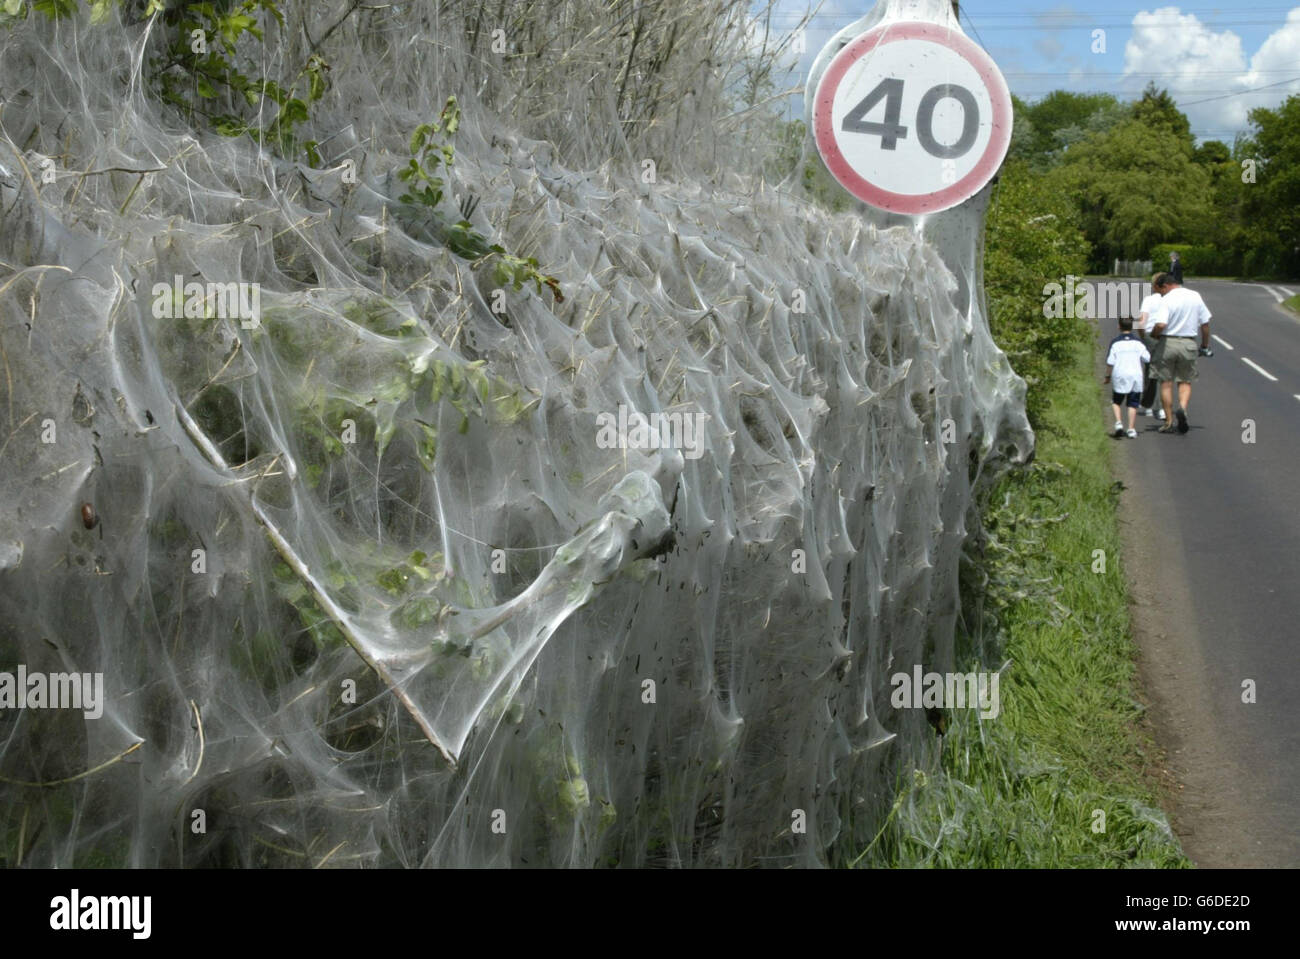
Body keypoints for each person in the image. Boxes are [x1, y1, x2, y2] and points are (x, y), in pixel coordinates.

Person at [1148, 272, 1212, 434]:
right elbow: (1205, 324)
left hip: (1168, 343)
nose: (1160, 294)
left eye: (1160, 291)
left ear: (1165, 286)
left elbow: (1161, 324)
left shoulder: (1167, 299)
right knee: (1185, 381)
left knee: (1165, 382)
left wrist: (1154, 334)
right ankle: (1182, 408)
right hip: (1188, 343)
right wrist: (1204, 345)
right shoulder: (1195, 296)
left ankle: (1169, 421)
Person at [1105, 316, 1150, 438]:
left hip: (1119, 374)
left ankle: (1119, 422)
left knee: (1116, 401)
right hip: (1135, 375)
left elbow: (1110, 362)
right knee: (1133, 403)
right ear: (1132, 327)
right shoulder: (1138, 343)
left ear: (1119, 326)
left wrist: (1107, 376)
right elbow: (1147, 358)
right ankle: (1131, 428)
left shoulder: (1115, 343)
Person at [1136, 274, 1165, 420]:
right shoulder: (1170, 300)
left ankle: (1148, 405)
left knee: (1149, 370)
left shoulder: (1149, 300)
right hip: (1164, 336)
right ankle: (1159, 407)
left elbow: (1141, 321)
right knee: (1162, 373)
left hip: (1149, 335)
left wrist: (1142, 336)